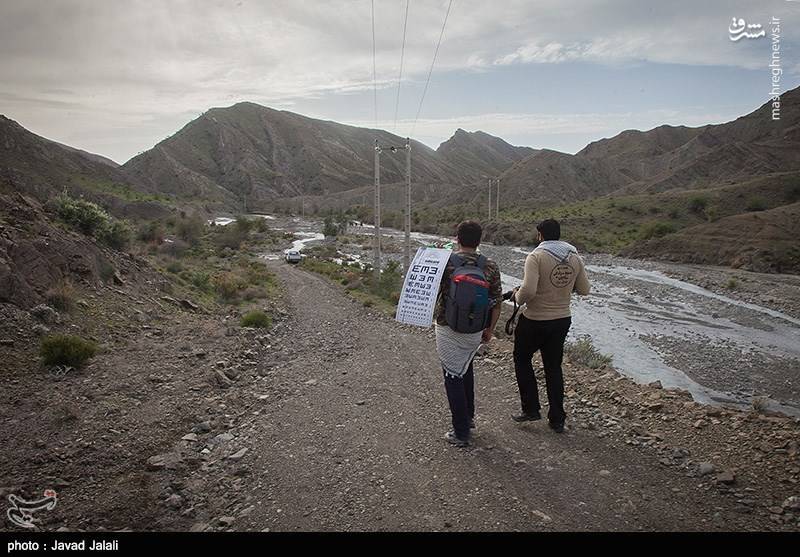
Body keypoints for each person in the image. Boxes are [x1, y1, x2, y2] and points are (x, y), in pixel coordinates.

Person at [511, 219, 590, 433]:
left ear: (540, 235)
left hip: (536, 319)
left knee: (522, 358)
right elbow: (584, 289)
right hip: (562, 319)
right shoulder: (574, 257)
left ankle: (531, 409)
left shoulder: (536, 256)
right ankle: (557, 418)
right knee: (553, 367)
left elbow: (528, 291)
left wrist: (516, 296)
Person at [433, 221, 503, 447]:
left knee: (452, 375)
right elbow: (497, 303)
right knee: (466, 367)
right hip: (476, 329)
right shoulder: (490, 266)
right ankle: (469, 417)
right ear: (480, 240)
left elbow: (431, 293)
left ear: (457, 239)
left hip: (447, 326)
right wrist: (489, 330)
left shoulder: (445, 263)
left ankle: (461, 432)